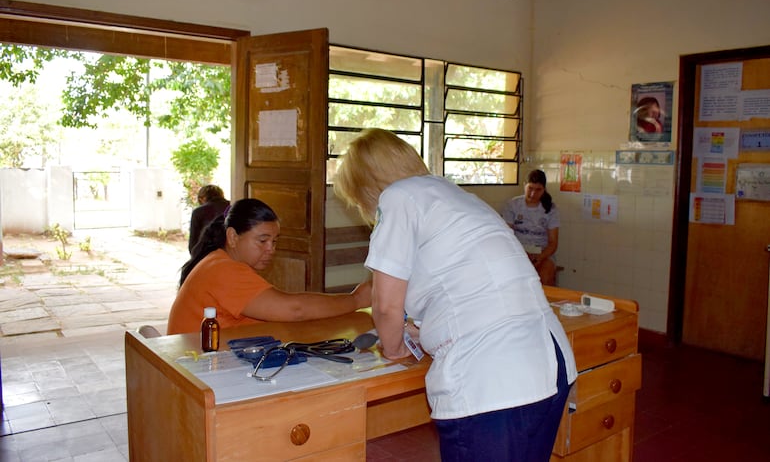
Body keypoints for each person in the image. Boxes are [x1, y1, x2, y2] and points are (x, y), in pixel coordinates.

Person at [333, 128, 577, 462]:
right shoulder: (453, 194)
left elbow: (386, 306)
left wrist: (395, 348)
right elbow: (469, 285)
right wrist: (426, 329)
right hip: (549, 363)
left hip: (494, 378)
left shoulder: (398, 198)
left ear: (367, 188)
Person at [167, 198, 371, 334]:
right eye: (262, 240)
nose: (271, 249)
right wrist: (356, 299)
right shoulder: (222, 269)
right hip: (196, 371)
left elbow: (283, 306)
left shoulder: (219, 261)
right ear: (232, 237)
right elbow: (295, 309)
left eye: (274, 241)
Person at [502, 169, 560, 286]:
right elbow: (506, 236)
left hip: (542, 254)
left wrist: (540, 257)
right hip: (518, 251)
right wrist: (522, 253)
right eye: (530, 189)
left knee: (545, 277)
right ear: (525, 186)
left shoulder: (551, 209)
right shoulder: (513, 205)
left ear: (544, 189)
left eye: (538, 190)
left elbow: (553, 243)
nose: (533, 194)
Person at [188, 184, 230, 254]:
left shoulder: (198, 212)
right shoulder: (233, 207)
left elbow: (193, 245)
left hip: (207, 255)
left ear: (202, 198)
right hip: (231, 254)